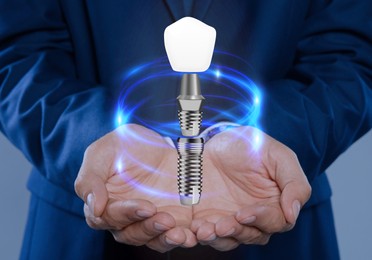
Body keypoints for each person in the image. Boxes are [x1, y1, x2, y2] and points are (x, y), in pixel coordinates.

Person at [0, 0, 371, 259]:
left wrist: (268, 144)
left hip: (279, 234)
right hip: (78, 236)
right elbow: (14, 54)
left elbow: (352, 55)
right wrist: (93, 140)